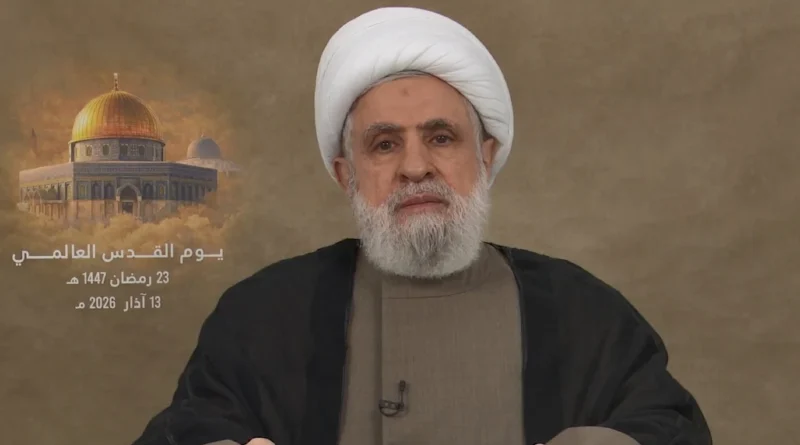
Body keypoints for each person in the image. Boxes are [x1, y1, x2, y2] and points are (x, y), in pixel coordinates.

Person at [132, 6, 712, 445]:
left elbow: (667, 426)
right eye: (384, 144)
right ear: (346, 174)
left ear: (484, 155)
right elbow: (191, 426)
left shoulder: (582, 313)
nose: (415, 167)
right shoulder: (263, 315)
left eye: (441, 137)